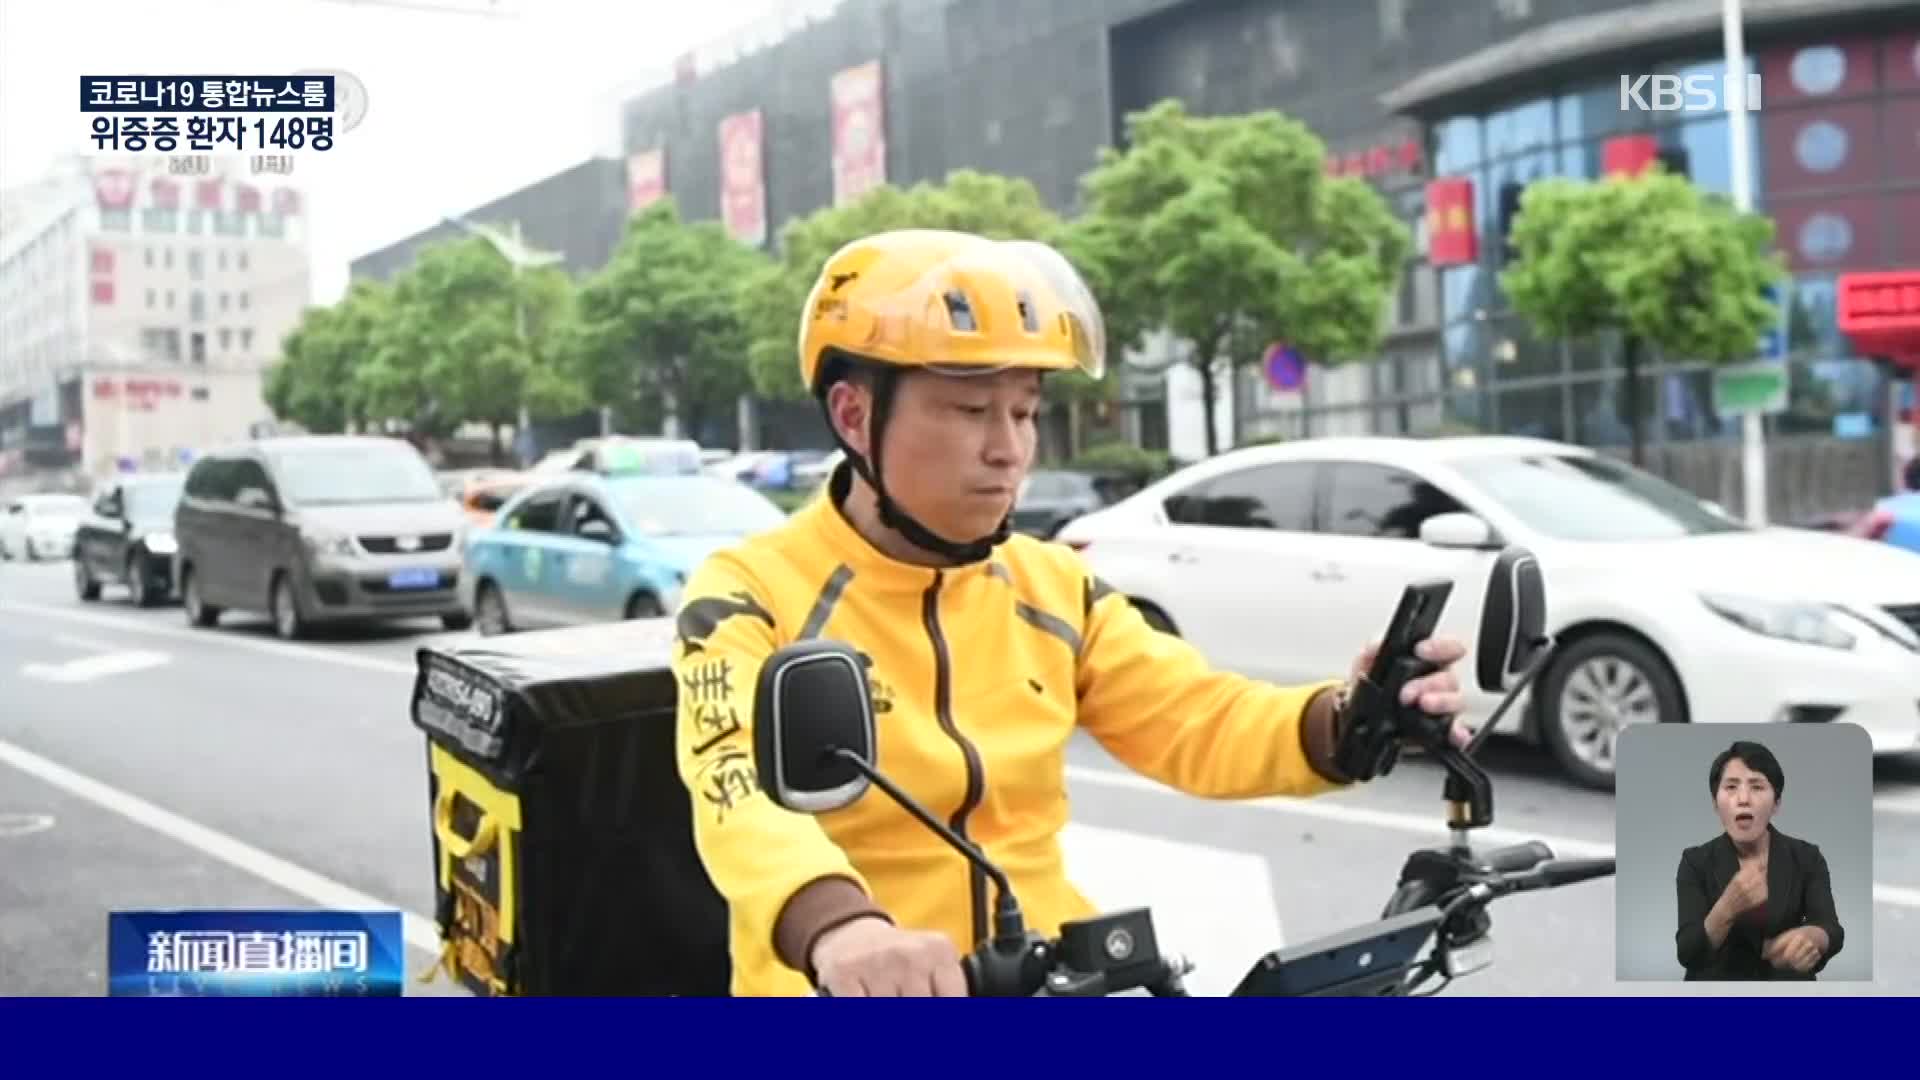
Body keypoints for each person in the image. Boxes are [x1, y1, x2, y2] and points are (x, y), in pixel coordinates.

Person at [670, 229, 1473, 997]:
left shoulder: (1052, 587)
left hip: (1053, 981)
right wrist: (840, 929)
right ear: (854, 417)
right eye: (970, 410)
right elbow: (731, 785)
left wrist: (1344, 719)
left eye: (1022, 412)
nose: (1009, 448)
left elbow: (1195, 717)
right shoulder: (749, 591)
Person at [1674, 740, 1844, 981]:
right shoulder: (1695, 861)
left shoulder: (1807, 857)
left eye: (1757, 787)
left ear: (1776, 803)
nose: (1743, 798)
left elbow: (1832, 929)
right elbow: (1687, 952)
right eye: (1731, 787)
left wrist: (1812, 938)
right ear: (1715, 804)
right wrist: (1727, 908)